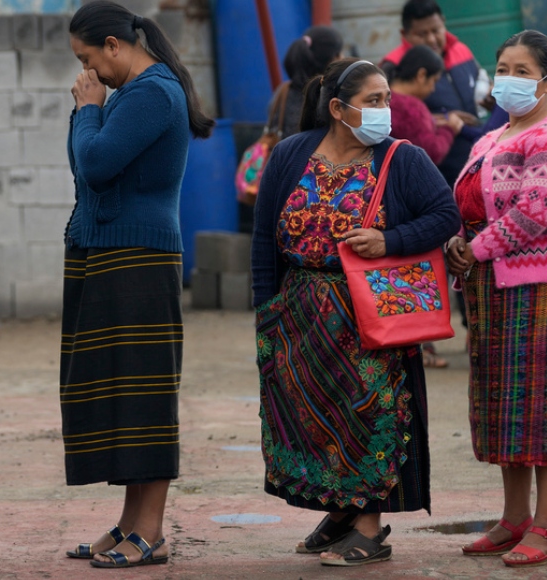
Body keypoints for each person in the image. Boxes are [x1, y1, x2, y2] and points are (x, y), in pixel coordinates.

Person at [251, 58, 460, 566]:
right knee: (309, 421)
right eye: (373, 101)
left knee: (368, 416)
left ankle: (368, 528)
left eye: (386, 99)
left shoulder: (401, 159)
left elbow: (445, 215)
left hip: (368, 318)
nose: (384, 110)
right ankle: (341, 512)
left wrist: (390, 239)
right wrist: (265, 312)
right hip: (298, 317)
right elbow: (262, 240)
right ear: (339, 108)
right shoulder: (290, 155)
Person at [60, 1, 213, 569]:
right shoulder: (130, 95)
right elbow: (89, 165)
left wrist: (86, 111)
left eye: (87, 59)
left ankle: (150, 530)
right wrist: (93, 112)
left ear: (114, 47)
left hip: (138, 260)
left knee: (143, 396)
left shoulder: (151, 93)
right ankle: (129, 522)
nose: (86, 74)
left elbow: (95, 164)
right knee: (121, 394)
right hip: (113, 255)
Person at [445, 30, 547, 568]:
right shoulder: (490, 139)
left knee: (541, 406)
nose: (509, 78)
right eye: (503, 67)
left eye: (522, 70)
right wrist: (460, 244)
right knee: (503, 404)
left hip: (537, 288)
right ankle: (514, 518)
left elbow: (531, 215)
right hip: (491, 285)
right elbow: (472, 206)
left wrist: (473, 249)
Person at [388, 44, 462, 369]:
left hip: (386, 205)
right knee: (425, 273)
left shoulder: (383, 100)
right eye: (432, 82)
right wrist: (449, 129)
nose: (433, 89)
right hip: (416, 207)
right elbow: (430, 152)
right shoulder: (413, 108)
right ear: (420, 75)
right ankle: (423, 343)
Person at [380, 0, 508, 187]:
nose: (431, 39)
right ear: (404, 34)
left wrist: (489, 97)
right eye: (422, 34)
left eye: (436, 30)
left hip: (476, 164)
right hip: (435, 176)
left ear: (444, 23)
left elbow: (481, 82)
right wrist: (439, 119)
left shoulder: (461, 51)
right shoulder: (393, 67)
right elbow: (391, 120)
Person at [278, 26, 344, 139]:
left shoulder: (283, 91)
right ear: (334, 59)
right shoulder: (331, 98)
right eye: (341, 54)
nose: (343, 58)